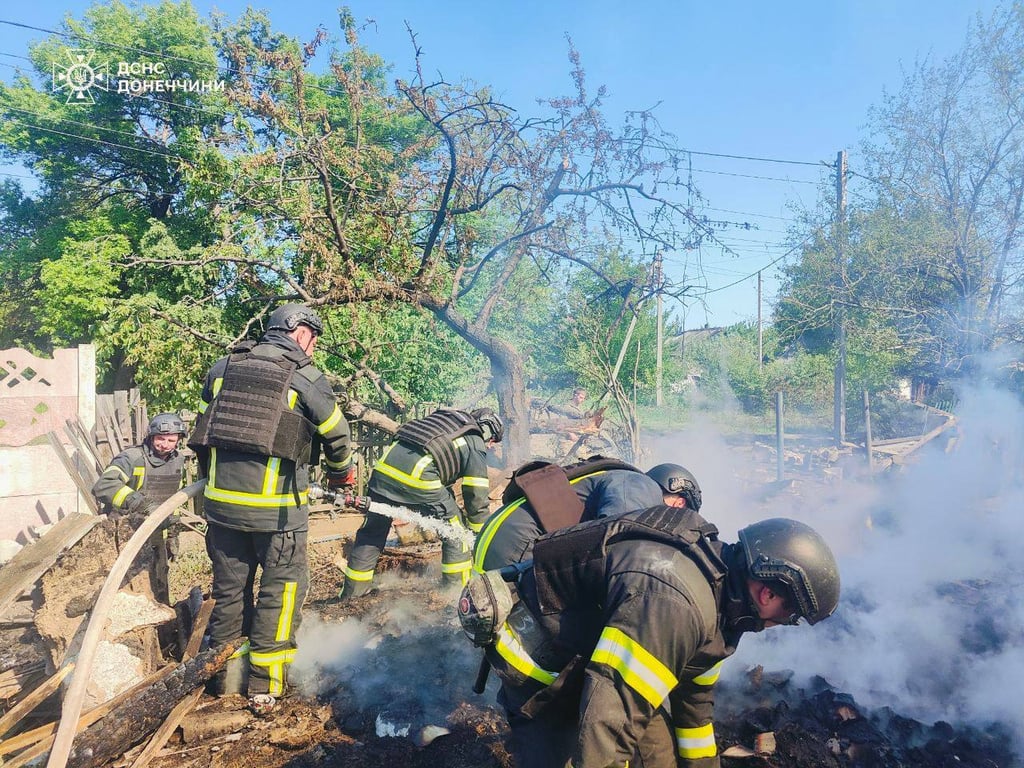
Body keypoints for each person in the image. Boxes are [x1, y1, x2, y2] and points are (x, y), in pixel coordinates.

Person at [463, 509, 840, 768]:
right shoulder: (677, 605)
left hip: (601, 652)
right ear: (769, 595)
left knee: (656, 756)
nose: (783, 624)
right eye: (791, 616)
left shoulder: (723, 603)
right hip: (541, 660)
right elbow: (607, 724)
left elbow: (694, 702)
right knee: (577, 754)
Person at [189, 302, 353, 713]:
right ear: (299, 333)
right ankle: (265, 685)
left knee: (229, 594)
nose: (313, 348)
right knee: (280, 594)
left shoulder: (224, 366)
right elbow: (337, 435)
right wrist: (339, 478)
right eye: (313, 339)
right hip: (277, 514)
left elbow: (214, 407)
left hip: (222, 510)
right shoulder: (304, 376)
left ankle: (225, 680)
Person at [339, 406, 503, 597]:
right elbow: (476, 495)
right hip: (418, 477)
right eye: (492, 440)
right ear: (487, 429)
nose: (490, 446)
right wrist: (480, 534)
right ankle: (455, 594)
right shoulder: (474, 440)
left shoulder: (445, 420)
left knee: (372, 531)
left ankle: (353, 593)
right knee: (456, 531)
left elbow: (437, 456)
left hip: (382, 473)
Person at [473, 458, 703, 572]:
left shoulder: (621, 477)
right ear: (679, 502)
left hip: (502, 541)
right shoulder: (640, 485)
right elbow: (618, 542)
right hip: (517, 548)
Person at [92, 412, 188, 601]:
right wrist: (140, 503)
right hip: (125, 534)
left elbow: (172, 498)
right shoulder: (131, 458)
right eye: (160, 438)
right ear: (151, 436)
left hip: (156, 535)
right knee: (127, 591)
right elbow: (104, 486)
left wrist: (173, 532)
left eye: (171, 440)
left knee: (159, 589)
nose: (165, 444)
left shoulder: (178, 461)